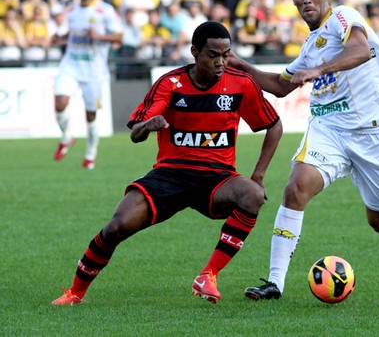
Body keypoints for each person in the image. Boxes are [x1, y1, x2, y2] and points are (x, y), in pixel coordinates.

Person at [51, 21, 283, 306]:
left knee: (253, 195)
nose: (220, 62)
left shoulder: (240, 83)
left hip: (217, 178)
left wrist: (258, 175)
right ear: (194, 52)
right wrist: (148, 126)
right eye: (213, 55)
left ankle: (208, 274)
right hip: (169, 176)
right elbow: (135, 134)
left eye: (226, 54)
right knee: (116, 227)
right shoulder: (170, 83)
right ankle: (75, 292)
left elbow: (274, 125)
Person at [228, 0, 379, 301]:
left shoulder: (343, 17)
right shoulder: (310, 46)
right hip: (328, 130)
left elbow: (362, 50)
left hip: (377, 132)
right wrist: (245, 68)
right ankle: (275, 282)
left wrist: (319, 69)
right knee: (295, 189)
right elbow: (281, 87)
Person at [52, 0, 123, 170]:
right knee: (60, 102)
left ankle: (90, 153)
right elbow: (72, 34)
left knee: (90, 115)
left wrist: (99, 36)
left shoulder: (105, 11)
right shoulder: (72, 10)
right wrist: (60, 38)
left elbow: (119, 38)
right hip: (71, 64)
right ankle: (66, 136)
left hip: (94, 71)